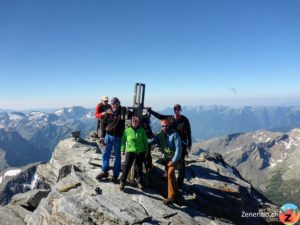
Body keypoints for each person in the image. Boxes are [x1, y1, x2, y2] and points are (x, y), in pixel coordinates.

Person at [148, 104, 191, 188]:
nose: (176, 111)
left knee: (181, 162)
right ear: (173, 110)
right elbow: (160, 116)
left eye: (178, 109)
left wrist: (189, 143)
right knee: (167, 158)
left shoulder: (184, 119)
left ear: (180, 110)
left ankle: (180, 182)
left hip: (181, 142)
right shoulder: (170, 118)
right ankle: (166, 175)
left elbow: (188, 132)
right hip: (170, 142)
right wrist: (150, 111)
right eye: (175, 109)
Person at [149, 119, 182, 205]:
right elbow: (152, 141)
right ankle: (177, 194)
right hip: (167, 159)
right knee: (171, 176)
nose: (164, 127)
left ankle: (170, 196)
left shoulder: (174, 135)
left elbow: (179, 149)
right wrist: (141, 142)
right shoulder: (161, 135)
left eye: (166, 126)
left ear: (169, 125)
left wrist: (174, 161)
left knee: (170, 173)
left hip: (175, 159)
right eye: (163, 126)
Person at [96, 97, 125, 183]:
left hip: (118, 137)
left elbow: (132, 114)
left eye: (116, 104)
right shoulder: (108, 112)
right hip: (108, 136)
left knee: (117, 156)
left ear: (119, 104)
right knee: (105, 154)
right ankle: (104, 171)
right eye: (113, 104)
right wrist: (102, 137)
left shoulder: (122, 111)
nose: (114, 106)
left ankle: (115, 175)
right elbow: (103, 124)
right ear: (111, 105)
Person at [120, 116, 148, 191]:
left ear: (138, 122)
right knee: (126, 166)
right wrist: (122, 149)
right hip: (130, 150)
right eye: (133, 121)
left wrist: (147, 151)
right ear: (131, 122)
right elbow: (123, 140)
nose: (134, 123)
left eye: (136, 121)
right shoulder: (127, 130)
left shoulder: (142, 130)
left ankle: (140, 182)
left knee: (139, 167)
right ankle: (122, 182)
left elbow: (145, 141)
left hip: (140, 151)